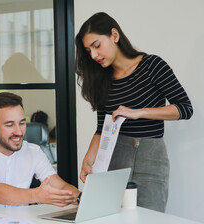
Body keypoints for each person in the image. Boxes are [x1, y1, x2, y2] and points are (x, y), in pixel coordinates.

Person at [75, 12, 193, 212]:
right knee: (113, 222)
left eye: (96, 45)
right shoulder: (102, 78)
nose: (93, 55)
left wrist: (138, 112)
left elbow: (184, 108)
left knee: (150, 222)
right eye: (88, 50)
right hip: (114, 157)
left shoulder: (152, 66)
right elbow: (102, 127)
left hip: (150, 158)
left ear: (114, 35)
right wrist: (88, 160)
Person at [0, 92, 80, 210]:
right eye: (9, 125)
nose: (18, 132)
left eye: (22, 123)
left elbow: (60, 186)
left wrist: (82, 198)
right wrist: (36, 195)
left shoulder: (33, 152)